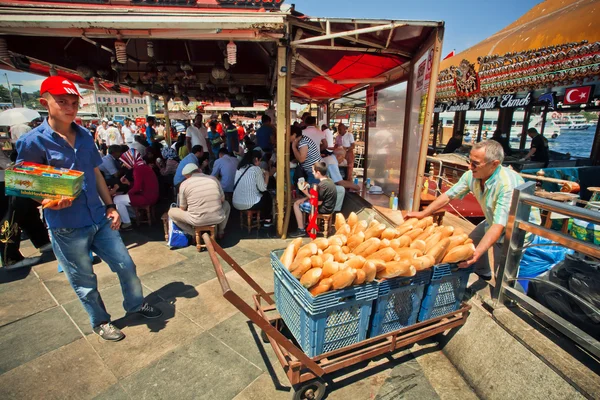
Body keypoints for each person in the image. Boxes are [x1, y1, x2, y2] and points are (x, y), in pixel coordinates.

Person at [16, 76, 162, 342]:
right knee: (83, 278)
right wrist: (47, 201)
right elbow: (27, 183)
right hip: (66, 223)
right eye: (62, 102)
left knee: (125, 264)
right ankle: (101, 321)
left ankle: (135, 303)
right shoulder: (32, 141)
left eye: (73, 102)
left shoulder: (84, 135)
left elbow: (95, 173)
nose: (69, 108)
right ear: (45, 102)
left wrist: (110, 206)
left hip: (98, 215)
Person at [407, 140, 541, 281]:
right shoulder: (472, 174)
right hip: (493, 219)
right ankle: (483, 272)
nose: (469, 167)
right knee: (472, 242)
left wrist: (477, 254)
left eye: (475, 164)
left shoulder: (507, 185)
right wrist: (423, 213)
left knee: (502, 272)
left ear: (494, 164)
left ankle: (509, 299)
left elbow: (499, 225)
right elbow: (448, 195)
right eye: (469, 161)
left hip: (515, 229)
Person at [168, 164, 231, 239]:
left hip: (196, 220)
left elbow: (182, 208)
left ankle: (193, 233)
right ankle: (221, 231)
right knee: (227, 204)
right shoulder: (213, 179)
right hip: (217, 217)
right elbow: (222, 200)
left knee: (171, 213)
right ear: (199, 170)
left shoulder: (184, 184)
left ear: (187, 176)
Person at [290, 161, 338, 238]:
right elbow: (316, 195)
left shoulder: (323, 185)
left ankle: (301, 229)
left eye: (313, 171)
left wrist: (305, 192)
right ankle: (302, 225)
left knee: (296, 205)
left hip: (323, 208)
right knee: (300, 201)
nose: (312, 173)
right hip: (328, 206)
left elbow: (317, 202)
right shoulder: (329, 180)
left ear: (318, 172)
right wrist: (305, 198)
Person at [232, 149, 272, 222]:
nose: (260, 163)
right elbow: (263, 188)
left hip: (236, 202)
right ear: (256, 159)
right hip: (249, 204)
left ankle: (254, 217)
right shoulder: (256, 169)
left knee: (257, 194)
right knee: (267, 195)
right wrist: (267, 176)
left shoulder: (239, 168)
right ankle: (267, 219)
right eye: (260, 160)